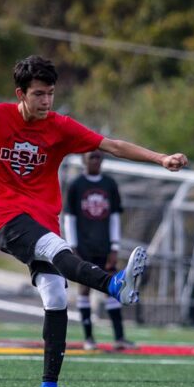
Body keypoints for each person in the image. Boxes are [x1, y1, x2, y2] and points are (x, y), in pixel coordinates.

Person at [0, 55, 187, 387]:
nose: (46, 102)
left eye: (51, 94)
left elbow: (111, 145)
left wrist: (160, 158)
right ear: (20, 94)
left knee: (56, 296)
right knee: (56, 247)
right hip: (6, 218)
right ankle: (114, 285)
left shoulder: (60, 126)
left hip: (44, 218)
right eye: (39, 94)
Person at [63, 150, 135, 351]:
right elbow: (70, 218)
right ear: (84, 160)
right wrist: (73, 246)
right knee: (84, 289)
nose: (96, 160)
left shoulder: (109, 184)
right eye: (92, 156)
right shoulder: (76, 185)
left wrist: (114, 246)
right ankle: (88, 338)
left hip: (104, 245)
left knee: (112, 288)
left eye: (98, 157)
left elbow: (114, 217)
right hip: (83, 246)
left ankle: (120, 337)